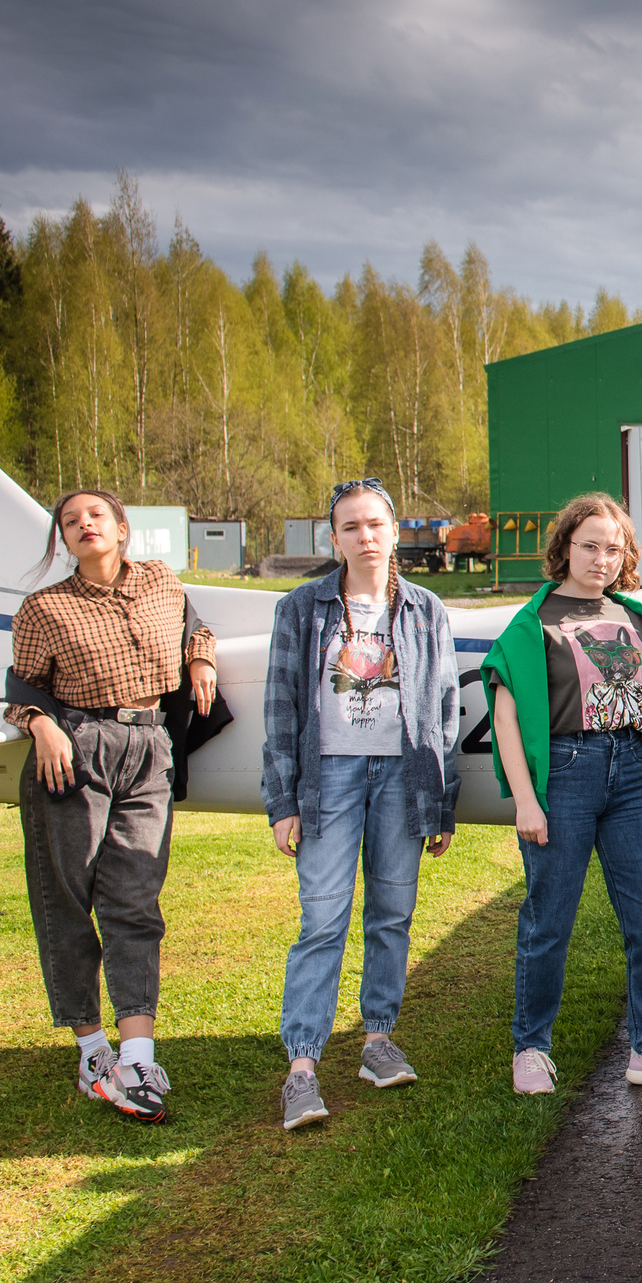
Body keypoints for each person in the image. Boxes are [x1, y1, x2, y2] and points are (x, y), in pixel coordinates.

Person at [481, 493, 642, 1096]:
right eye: (589, 545)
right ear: (564, 548)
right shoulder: (533, 623)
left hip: (630, 771)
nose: (602, 558)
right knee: (548, 920)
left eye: (614, 548)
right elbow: (505, 718)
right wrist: (526, 801)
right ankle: (530, 1048)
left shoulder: (635, 617)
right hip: (565, 772)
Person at [5, 490, 217, 1123]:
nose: (83, 525)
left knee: (134, 899)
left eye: (95, 516)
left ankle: (140, 1053)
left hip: (150, 747)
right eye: (70, 522)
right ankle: (91, 1049)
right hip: (73, 752)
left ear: (122, 529)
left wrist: (200, 658)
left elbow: (193, 623)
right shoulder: (44, 608)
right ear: (63, 542)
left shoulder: (159, 581)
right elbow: (21, 687)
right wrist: (40, 724)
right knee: (67, 899)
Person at [263, 478, 462, 1132]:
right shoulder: (303, 606)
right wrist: (282, 801)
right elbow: (281, 710)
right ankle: (302, 1066)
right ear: (335, 537)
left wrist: (441, 800)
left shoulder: (427, 608)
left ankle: (377, 1040)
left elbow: (443, 709)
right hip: (329, 777)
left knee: (392, 913)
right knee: (322, 918)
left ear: (395, 529)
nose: (365, 536)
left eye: (375, 523)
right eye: (351, 526)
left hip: (402, 778)